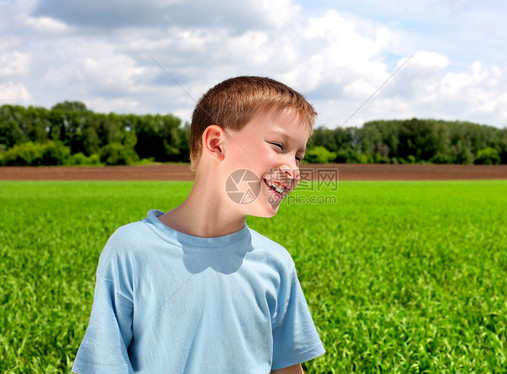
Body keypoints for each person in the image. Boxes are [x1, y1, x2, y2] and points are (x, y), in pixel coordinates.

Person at [72, 76, 325, 374]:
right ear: (216, 144)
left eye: (299, 156)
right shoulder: (132, 249)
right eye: (278, 146)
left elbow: (286, 368)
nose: (294, 169)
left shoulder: (276, 262)